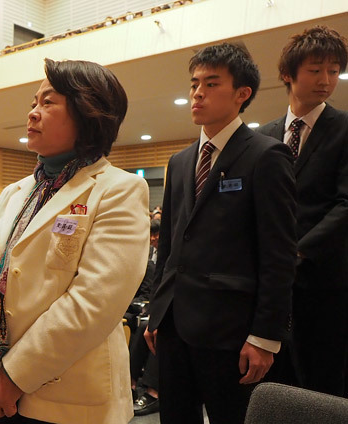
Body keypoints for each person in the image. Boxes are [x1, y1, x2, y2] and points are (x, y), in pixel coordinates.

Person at [0, 58, 149, 424]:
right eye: (33, 102)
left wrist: (15, 375)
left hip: (69, 394)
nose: (32, 113)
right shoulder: (14, 192)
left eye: (48, 103)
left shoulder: (119, 189)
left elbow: (94, 301)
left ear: (87, 112)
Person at [145, 43, 297, 424]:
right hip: (175, 323)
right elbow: (169, 247)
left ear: (242, 94)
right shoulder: (180, 162)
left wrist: (265, 336)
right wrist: (156, 311)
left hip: (232, 328)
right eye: (195, 83)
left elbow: (278, 255)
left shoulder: (266, 155)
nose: (197, 92)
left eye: (211, 84)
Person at [257, 26, 348, 396]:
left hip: (326, 280)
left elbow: (346, 203)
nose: (326, 80)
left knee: (323, 383)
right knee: (275, 384)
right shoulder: (264, 135)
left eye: (334, 71)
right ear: (287, 74)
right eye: (315, 70)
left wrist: (298, 250)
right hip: (270, 285)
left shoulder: (344, 128)